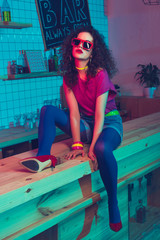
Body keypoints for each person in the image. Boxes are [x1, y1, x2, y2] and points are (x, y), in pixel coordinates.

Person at [20, 25, 123, 232]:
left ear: (93, 51)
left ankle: (113, 202)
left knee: (102, 149)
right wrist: (77, 144)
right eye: (77, 42)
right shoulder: (68, 77)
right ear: (71, 46)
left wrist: (91, 146)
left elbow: (101, 114)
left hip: (109, 124)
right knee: (48, 110)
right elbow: (74, 114)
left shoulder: (100, 74)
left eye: (87, 44)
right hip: (85, 123)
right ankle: (43, 157)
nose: (81, 46)